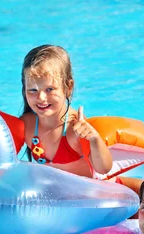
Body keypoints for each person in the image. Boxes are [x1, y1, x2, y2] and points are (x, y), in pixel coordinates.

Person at [20, 45, 113, 178]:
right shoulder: (26, 125)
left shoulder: (75, 128)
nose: (41, 98)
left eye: (50, 89)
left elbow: (103, 169)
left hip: (94, 193)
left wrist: (94, 139)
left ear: (68, 88)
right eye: (33, 90)